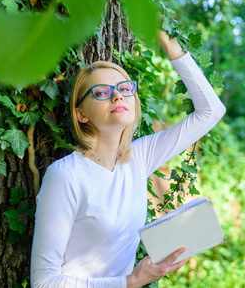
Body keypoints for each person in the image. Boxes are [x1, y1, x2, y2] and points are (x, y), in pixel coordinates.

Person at [30, 31, 226, 288]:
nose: (118, 96)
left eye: (124, 89)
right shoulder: (66, 175)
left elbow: (211, 111)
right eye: (101, 92)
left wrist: (172, 49)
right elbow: (44, 282)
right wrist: (130, 282)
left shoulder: (139, 158)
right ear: (81, 115)